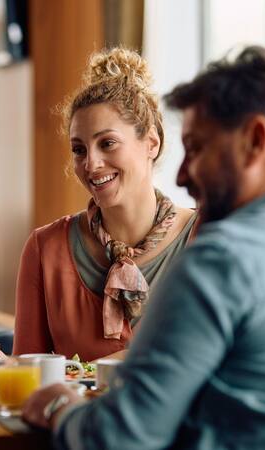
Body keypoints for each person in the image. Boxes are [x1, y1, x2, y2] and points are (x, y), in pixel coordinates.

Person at [22, 46, 265, 449]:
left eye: (195, 149)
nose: (181, 174)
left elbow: (121, 437)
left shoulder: (221, 259)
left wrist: (59, 409)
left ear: (256, 141)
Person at [13, 47, 196, 361]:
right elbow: (27, 376)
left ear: (151, 143)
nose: (91, 164)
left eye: (107, 143)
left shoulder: (206, 237)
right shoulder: (45, 248)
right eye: (79, 149)